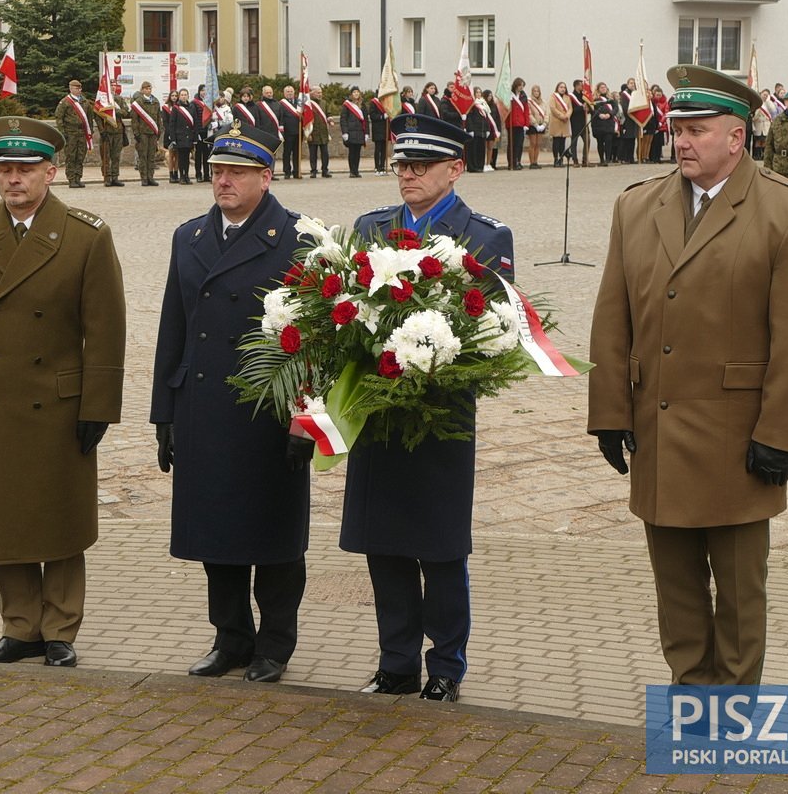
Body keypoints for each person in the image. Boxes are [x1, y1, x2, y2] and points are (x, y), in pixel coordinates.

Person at [588, 65, 788, 686]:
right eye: (678, 130)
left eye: (697, 130)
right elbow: (611, 316)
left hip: (738, 437)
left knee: (737, 590)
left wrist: (779, 433)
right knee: (674, 586)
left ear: (737, 137)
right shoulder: (636, 206)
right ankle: (691, 694)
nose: (682, 142)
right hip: (658, 428)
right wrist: (610, 413)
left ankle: (734, 701)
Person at [0, 118, 126, 668]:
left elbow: (106, 329)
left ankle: (61, 627)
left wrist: (99, 407)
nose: (13, 179)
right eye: (4, 169)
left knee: (60, 519)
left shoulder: (86, 236)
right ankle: (20, 625)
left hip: (59, 403)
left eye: (24, 170)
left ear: (52, 172)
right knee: (6, 516)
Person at [346, 112, 515, 704]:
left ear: (456, 169)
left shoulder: (486, 235)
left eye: (421, 165)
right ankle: (396, 662)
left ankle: (445, 664)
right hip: (377, 408)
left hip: (442, 414)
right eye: (401, 165)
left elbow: (495, 329)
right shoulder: (373, 228)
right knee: (384, 542)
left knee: (441, 546)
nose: (408, 175)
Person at [150, 122, 311, 684]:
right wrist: (164, 413)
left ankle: (274, 644)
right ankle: (230, 638)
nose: (223, 181)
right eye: (217, 171)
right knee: (216, 535)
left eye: (237, 173)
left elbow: (316, 339)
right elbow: (175, 327)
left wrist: (306, 420)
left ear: (266, 178)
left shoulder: (298, 239)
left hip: (267, 413)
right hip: (203, 408)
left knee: (274, 540)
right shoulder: (189, 237)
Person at [54, 80, 94, 188]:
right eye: (76, 88)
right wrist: (63, 132)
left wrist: (90, 131)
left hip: (82, 133)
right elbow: (59, 118)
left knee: (80, 156)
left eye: (80, 88)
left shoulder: (85, 102)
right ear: (71, 89)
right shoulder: (65, 102)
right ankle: (71, 179)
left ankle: (78, 178)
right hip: (70, 133)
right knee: (71, 156)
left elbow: (89, 118)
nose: (79, 90)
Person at [131, 81, 163, 186]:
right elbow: (134, 120)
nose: (148, 90)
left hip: (153, 133)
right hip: (143, 133)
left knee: (151, 157)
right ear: (142, 90)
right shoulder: (138, 102)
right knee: (143, 156)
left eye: (150, 89)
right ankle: (144, 178)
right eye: (146, 89)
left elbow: (158, 118)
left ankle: (151, 177)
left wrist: (159, 131)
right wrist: (136, 133)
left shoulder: (155, 101)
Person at [98, 86, 129, 188]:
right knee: (106, 156)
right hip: (107, 131)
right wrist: (102, 131)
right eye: (110, 87)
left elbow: (125, 112)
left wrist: (113, 110)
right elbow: (97, 115)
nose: (112, 89)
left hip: (118, 131)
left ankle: (115, 177)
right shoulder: (102, 100)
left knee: (116, 156)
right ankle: (107, 177)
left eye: (114, 87)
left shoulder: (119, 99)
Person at [171, 87, 198, 185]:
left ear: (188, 96)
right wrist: (173, 138)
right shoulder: (176, 108)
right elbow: (172, 124)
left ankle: (186, 176)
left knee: (187, 158)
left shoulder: (192, 107)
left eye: (185, 94)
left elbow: (195, 123)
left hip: (189, 137)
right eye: (182, 95)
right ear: (179, 96)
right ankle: (182, 176)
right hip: (180, 137)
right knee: (181, 158)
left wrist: (195, 138)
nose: (183, 96)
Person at [341, 86, 367, 177]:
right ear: (351, 94)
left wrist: (367, 133)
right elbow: (343, 119)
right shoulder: (347, 105)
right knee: (352, 153)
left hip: (360, 132)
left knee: (357, 153)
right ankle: (352, 171)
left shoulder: (362, 105)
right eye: (354, 92)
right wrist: (345, 132)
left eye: (357, 92)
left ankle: (356, 170)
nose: (356, 94)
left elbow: (366, 120)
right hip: (351, 132)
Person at [591, 82, 619, 167]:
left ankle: (607, 159)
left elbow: (616, 108)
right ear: (598, 89)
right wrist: (599, 114)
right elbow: (592, 109)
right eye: (601, 87)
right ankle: (601, 159)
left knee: (608, 141)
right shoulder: (595, 99)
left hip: (608, 123)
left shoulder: (611, 99)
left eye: (605, 87)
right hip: (598, 123)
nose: (603, 89)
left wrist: (610, 114)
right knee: (600, 142)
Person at [306, 86, 331, 178]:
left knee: (325, 153)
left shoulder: (324, 103)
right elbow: (306, 119)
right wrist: (308, 133)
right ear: (312, 93)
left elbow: (328, 114)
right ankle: (313, 171)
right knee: (313, 154)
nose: (320, 94)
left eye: (321, 92)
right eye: (318, 93)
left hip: (323, 132)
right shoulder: (308, 104)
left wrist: (330, 119)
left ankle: (325, 170)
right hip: (313, 132)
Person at [278, 85, 302, 180]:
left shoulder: (299, 102)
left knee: (297, 153)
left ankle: (296, 171)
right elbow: (281, 118)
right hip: (288, 132)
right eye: (287, 91)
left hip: (298, 132)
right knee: (287, 153)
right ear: (284, 93)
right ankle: (287, 172)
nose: (290, 93)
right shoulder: (281, 104)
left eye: (291, 91)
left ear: (294, 92)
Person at [506, 78, 528, 169]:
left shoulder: (523, 96)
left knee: (519, 144)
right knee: (511, 144)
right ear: (516, 85)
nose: (521, 87)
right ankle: (511, 162)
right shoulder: (509, 95)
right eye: (520, 85)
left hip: (521, 124)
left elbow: (526, 111)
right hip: (511, 123)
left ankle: (518, 161)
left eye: (523, 85)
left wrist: (526, 124)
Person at [549, 81, 572, 167]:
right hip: (557, 121)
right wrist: (562, 116)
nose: (563, 89)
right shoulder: (553, 97)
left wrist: (567, 115)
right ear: (557, 88)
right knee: (556, 142)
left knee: (563, 142)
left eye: (564, 87)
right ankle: (556, 159)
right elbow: (553, 108)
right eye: (561, 87)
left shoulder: (567, 97)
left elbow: (570, 108)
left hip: (565, 122)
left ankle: (561, 159)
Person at [192, 86, 212, 183]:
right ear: (199, 91)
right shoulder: (194, 103)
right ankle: (198, 174)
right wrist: (196, 133)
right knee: (198, 154)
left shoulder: (209, 102)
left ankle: (206, 174)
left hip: (208, 132)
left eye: (205, 90)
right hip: (199, 132)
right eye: (202, 90)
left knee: (207, 154)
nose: (204, 92)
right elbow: (195, 119)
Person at [568, 79, 589, 167]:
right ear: (576, 86)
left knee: (587, 140)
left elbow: (589, 107)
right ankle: (575, 160)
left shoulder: (584, 96)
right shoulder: (571, 97)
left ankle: (585, 159)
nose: (583, 87)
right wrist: (582, 108)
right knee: (574, 142)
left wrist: (588, 108)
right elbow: (571, 109)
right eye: (581, 85)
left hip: (584, 122)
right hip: (575, 122)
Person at [526, 84, 548, 169]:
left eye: (537, 91)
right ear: (532, 92)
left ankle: (536, 161)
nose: (536, 93)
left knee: (538, 144)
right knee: (533, 143)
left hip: (541, 125)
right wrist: (535, 124)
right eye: (534, 91)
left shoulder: (543, 102)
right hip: (533, 125)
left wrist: (544, 124)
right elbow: (529, 114)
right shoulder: (529, 101)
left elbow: (546, 114)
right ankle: (531, 163)